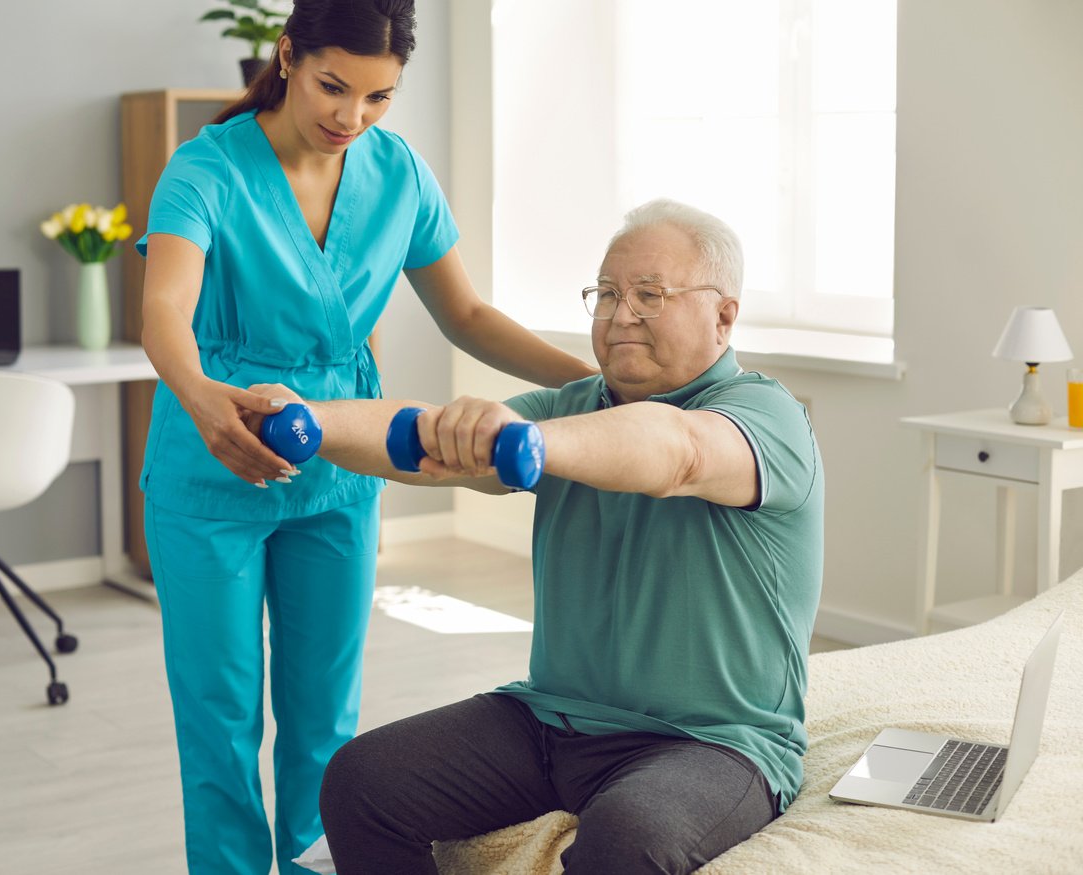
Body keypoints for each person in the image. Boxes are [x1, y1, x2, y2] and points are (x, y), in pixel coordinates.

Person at [136, 1, 596, 872]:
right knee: (220, 716)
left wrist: (588, 387)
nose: (351, 116)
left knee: (324, 714)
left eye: (379, 96)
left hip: (344, 469)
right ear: (288, 57)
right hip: (214, 468)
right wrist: (202, 400)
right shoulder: (205, 169)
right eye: (332, 85)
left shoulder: (399, 175)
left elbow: (465, 313)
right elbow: (164, 312)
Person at [254, 199, 824, 873]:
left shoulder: (764, 414)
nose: (620, 314)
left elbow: (676, 452)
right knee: (360, 780)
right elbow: (423, 442)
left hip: (713, 742)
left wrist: (527, 442)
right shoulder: (573, 405)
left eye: (649, 294)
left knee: (629, 833)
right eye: (606, 294)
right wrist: (310, 419)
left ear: (724, 315)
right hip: (550, 720)